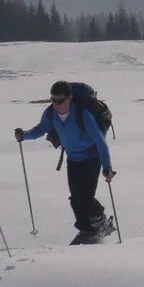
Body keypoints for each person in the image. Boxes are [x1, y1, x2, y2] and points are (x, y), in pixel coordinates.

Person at [15, 81, 117, 245]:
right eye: (53, 100)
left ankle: (102, 224)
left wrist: (107, 168)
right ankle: (87, 230)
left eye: (60, 100)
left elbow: (100, 141)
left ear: (70, 98)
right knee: (75, 199)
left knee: (85, 197)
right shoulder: (51, 114)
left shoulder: (82, 114)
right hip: (73, 160)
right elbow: (41, 129)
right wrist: (24, 135)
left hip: (91, 158)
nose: (56, 104)